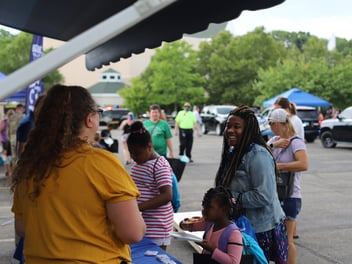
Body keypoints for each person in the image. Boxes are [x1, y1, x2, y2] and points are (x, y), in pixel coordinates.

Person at [11, 84, 145, 263]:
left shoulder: (30, 164)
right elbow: (132, 233)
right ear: (89, 119)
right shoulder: (100, 162)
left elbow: (22, 228)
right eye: (99, 112)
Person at [215, 105, 288, 263]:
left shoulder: (258, 155)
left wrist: (230, 198)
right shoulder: (234, 152)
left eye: (237, 126)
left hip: (261, 228)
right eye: (228, 126)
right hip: (241, 226)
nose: (230, 130)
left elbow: (264, 196)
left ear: (248, 130)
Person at [267, 108, 308, 264]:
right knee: (277, 240)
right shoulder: (274, 140)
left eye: (271, 125)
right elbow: (260, 155)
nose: (270, 129)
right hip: (274, 196)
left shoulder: (296, 142)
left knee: (287, 239)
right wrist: (274, 145)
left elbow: (304, 164)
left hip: (290, 196)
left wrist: (280, 166)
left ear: (277, 124)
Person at [127, 121, 173, 250]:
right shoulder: (138, 164)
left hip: (157, 225)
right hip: (141, 222)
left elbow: (167, 195)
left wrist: (137, 207)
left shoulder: (159, 165)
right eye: (131, 153)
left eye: (137, 153)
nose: (133, 157)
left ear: (149, 146)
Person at [180, 186, 243, 264]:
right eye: (204, 207)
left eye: (209, 207)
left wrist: (212, 249)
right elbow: (188, 227)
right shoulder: (210, 224)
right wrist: (184, 223)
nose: (204, 211)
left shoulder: (234, 233)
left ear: (223, 209)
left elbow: (234, 262)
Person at [7, 104, 25, 169]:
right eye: (22, 109)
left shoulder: (10, 117)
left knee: (14, 157)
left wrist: (10, 138)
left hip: (12, 139)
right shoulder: (24, 117)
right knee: (21, 156)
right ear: (20, 109)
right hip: (21, 139)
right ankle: (20, 171)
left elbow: (8, 130)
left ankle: (14, 171)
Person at [0, 109, 14, 180]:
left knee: (10, 157)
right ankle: (9, 173)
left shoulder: (12, 122)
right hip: (5, 141)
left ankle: (10, 172)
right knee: (7, 157)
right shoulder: (4, 121)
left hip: (11, 141)